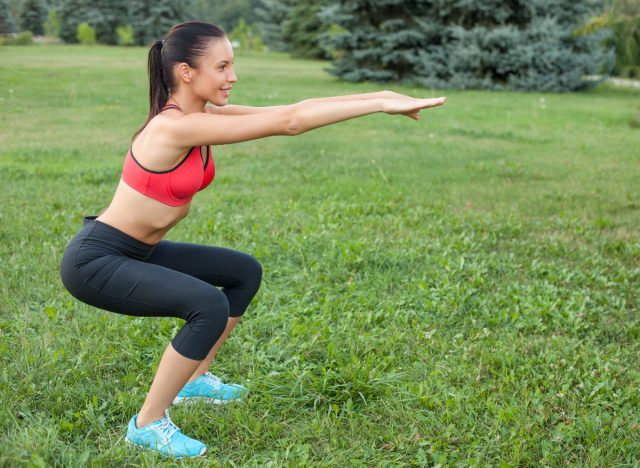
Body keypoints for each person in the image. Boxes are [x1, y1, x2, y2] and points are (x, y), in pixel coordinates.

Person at [59, 20, 446, 459]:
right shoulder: (173, 129)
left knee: (242, 273)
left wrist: (384, 97)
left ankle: (193, 381)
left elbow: (294, 107)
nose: (232, 77)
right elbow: (291, 123)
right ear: (186, 72)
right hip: (97, 261)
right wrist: (377, 102)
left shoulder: (201, 117)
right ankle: (147, 423)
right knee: (207, 304)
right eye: (222, 67)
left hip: (136, 250)